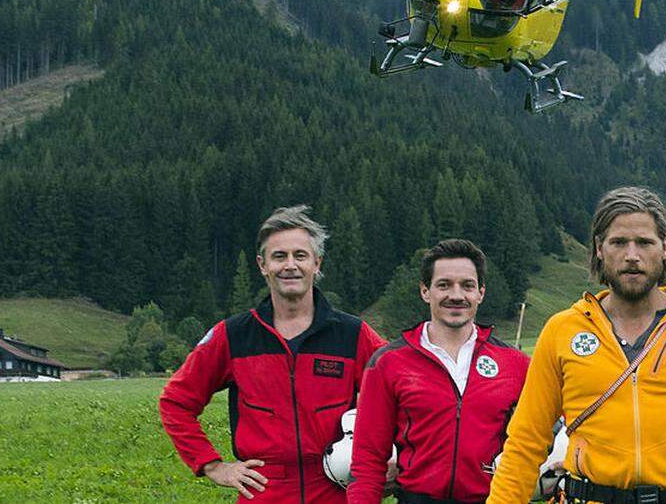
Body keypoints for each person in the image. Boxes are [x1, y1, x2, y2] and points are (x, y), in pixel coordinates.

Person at [488, 186, 666, 503]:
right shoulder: (562, 331)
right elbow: (526, 441)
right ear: (600, 248)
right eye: (618, 242)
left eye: (644, 242)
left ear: (664, 247)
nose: (631, 255)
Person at [159, 205, 386, 502]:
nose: (290, 265)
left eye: (300, 255)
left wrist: (391, 459)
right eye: (279, 256)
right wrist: (212, 465)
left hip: (335, 487)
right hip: (265, 489)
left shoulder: (353, 334)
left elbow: (403, 394)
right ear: (262, 265)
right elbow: (176, 402)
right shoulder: (233, 335)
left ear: (316, 264)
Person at [348, 239, 530, 504]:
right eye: (444, 285)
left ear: (481, 292)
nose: (456, 295)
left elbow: (540, 439)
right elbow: (367, 461)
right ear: (425, 291)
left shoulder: (515, 364)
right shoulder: (388, 363)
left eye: (467, 286)